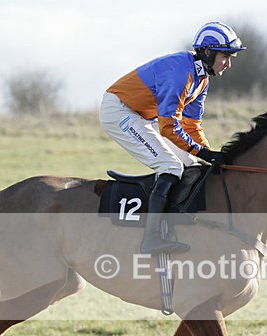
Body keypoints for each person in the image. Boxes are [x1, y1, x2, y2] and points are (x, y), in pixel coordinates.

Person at [100, 21, 246, 254]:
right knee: (169, 165)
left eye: (231, 57)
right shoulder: (181, 73)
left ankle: (175, 222)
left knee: (192, 164)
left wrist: (207, 154)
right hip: (119, 111)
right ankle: (151, 238)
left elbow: (191, 125)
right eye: (225, 56)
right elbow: (169, 127)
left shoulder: (202, 79)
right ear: (207, 52)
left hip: (142, 115)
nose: (228, 63)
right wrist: (203, 152)